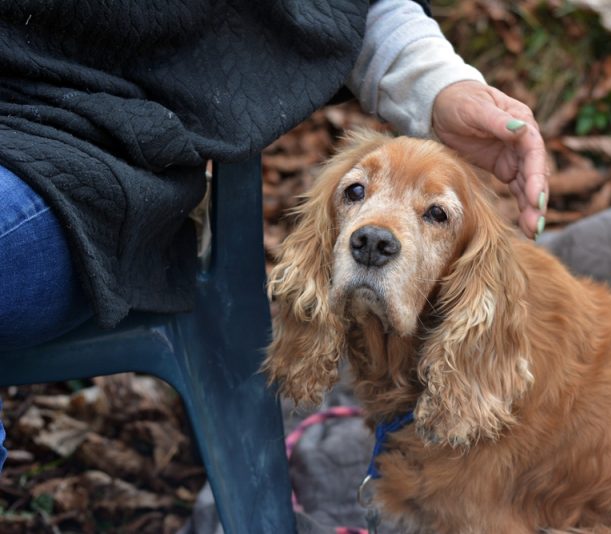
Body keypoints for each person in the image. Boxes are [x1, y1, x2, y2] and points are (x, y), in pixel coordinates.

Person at [0, 0, 549, 471]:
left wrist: (432, 83)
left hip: (73, 149)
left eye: (433, 215)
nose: (374, 236)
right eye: (355, 195)